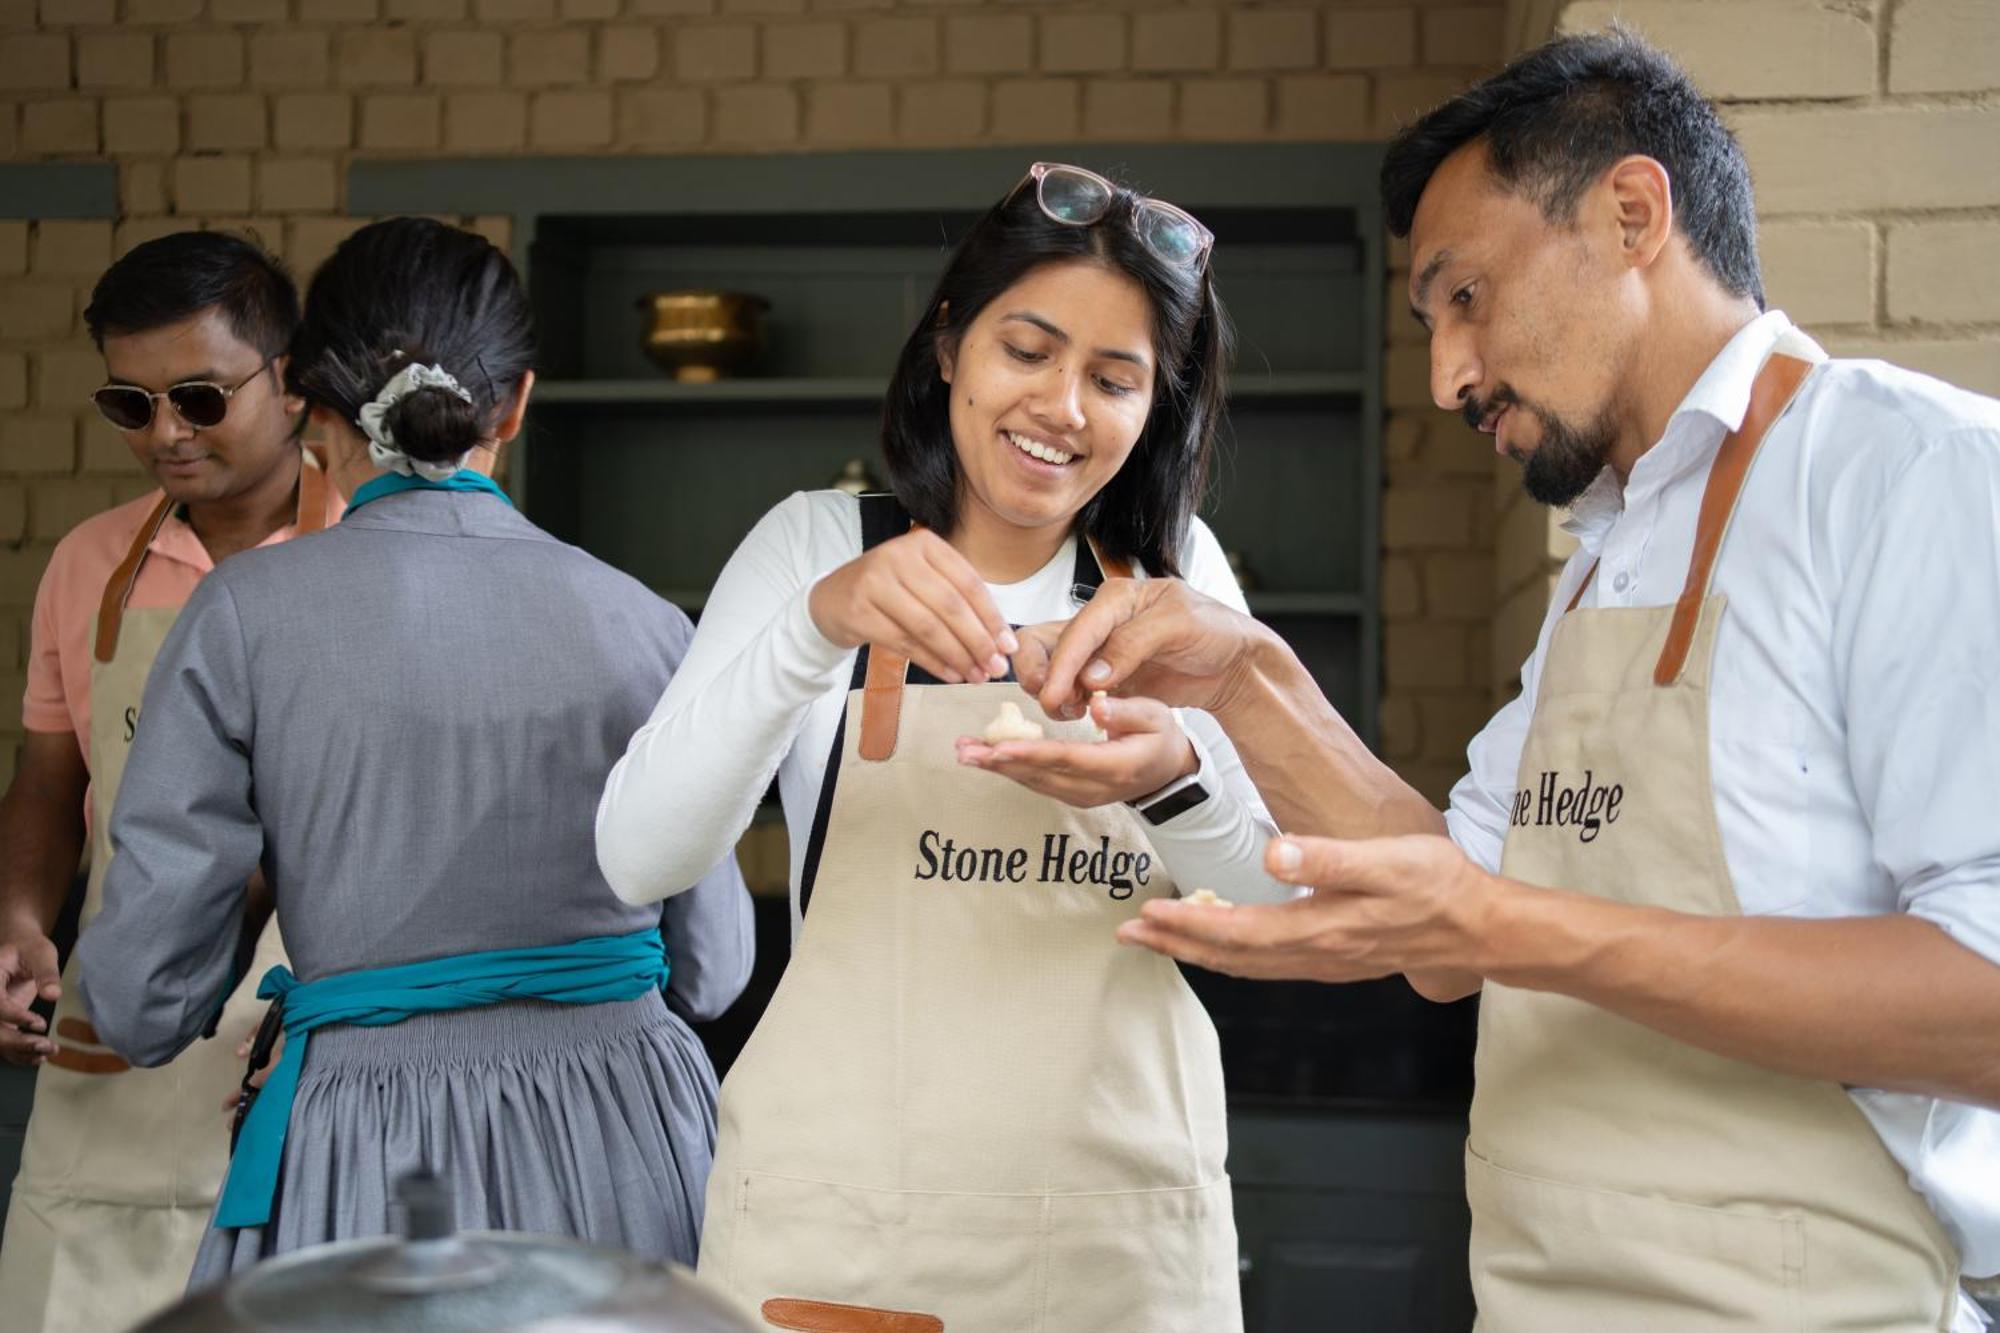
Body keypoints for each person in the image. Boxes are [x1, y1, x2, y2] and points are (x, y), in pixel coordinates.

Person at [1011, 30, 2000, 1333]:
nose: (1448, 376)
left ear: (1632, 213)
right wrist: (1247, 679)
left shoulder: (1907, 473)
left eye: (1464, 297)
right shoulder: (1608, 557)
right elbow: (1452, 934)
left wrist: (1509, 926)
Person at [596, 162, 1290, 1332]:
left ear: (1153, 408)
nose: (1063, 406)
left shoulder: (1180, 576)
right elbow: (638, 858)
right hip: (844, 1234)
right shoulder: (813, 543)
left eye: (1114, 379)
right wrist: (816, 628)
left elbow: (1268, 916)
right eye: (1027, 350)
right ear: (948, 347)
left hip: (1114, 1238)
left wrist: (1174, 780)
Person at [74, 217, 753, 1284]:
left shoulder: (244, 614)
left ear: (304, 397)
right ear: (518, 400)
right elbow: (715, 969)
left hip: (372, 1150)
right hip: (630, 1139)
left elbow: (142, 998)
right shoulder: (646, 623)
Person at [0, 231, 342, 1333]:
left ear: (290, 382)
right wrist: (15, 922)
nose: (165, 435)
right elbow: (50, 780)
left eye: (198, 398)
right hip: (116, 1046)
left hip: (316, 1057)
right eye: (129, 404)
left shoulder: (369, 560)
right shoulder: (88, 563)